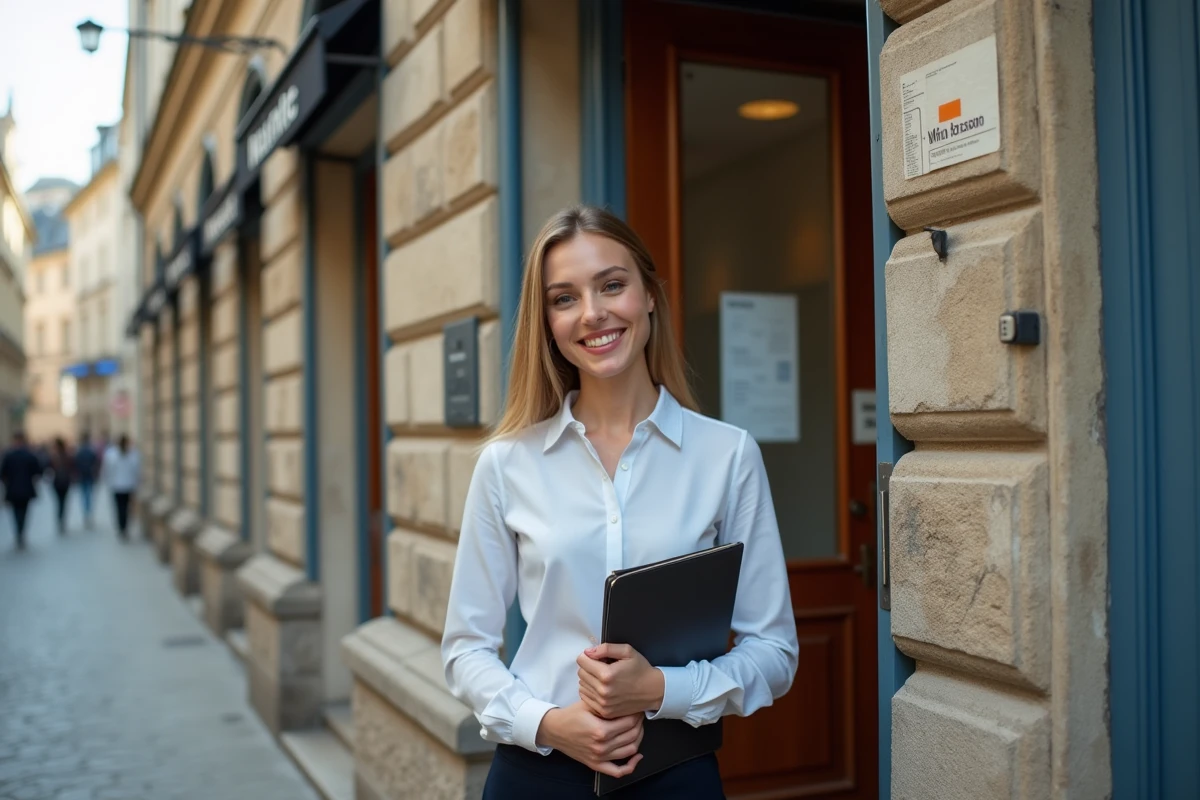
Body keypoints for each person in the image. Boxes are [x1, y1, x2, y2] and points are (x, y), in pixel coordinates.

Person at [441, 206, 799, 799]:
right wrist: (549, 724)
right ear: (548, 322)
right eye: (564, 298)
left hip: (675, 774)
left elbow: (774, 651)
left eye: (612, 285)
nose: (593, 313)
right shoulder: (507, 464)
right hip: (536, 775)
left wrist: (660, 689)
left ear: (650, 295)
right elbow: (465, 650)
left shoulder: (727, 456)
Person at [1, 431, 43, 550]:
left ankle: (18, 532)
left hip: (13, 489)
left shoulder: (9, 456)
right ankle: (21, 532)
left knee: (15, 512)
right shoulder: (29, 455)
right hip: (26, 489)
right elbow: (38, 472)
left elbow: (3, 473)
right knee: (24, 512)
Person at [101, 434, 140, 539]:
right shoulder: (132, 454)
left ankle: (121, 527)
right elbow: (136, 471)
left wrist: (108, 482)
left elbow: (107, 470)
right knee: (126, 508)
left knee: (119, 508)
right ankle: (124, 527)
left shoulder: (112, 454)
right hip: (127, 486)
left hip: (117, 486)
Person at [73, 432, 100, 529]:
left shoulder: (79, 451)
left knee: (84, 496)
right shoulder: (90, 451)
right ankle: (88, 513)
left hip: (83, 476)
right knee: (88, 495)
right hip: (88, 476)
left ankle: (86, 513)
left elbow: (75, 464)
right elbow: (95, 463)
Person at [46, 437, 73, 534]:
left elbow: (48, 469)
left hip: (58, 482)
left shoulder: (54, 456)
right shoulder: (67, 455)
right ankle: (61, 520)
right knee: (63, 502)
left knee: (59, 502)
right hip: (64, 482)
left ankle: (60, 519)